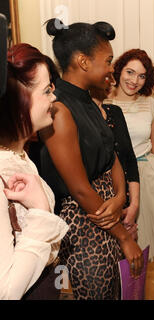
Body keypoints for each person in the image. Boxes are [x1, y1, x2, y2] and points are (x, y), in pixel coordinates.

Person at [39, 19, 143, 300]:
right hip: (85, 223)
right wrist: (123, 236)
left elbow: (113, 156)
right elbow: (80, 189)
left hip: (109, 215)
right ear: (84, 61)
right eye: (107, 60)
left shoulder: (90, 101)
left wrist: (121, 196)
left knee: (116, 290)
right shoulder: (59, 109)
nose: (112, 68)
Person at [0, 43, 68, 299]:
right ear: (18, 103)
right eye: (46, 90)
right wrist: (39, 210)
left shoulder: (19, 155)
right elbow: (6, 292)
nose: (54, 97)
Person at [105, 49, 154, 261]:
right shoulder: (102, 101)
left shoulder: (151, 105)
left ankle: (135, 290)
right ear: (118, 70)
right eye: (130, 72)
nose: (134, 81)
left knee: (140, 244)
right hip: (111, 176)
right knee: (112, 243)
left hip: (144, 178)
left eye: (141, 76)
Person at [91, 82, 139, 242]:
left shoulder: (115, 112)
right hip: (98, 210)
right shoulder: (78, 117)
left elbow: (130, 160)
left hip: (124, 206)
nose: (112, 81)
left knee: (127, 263)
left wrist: (134, 206)